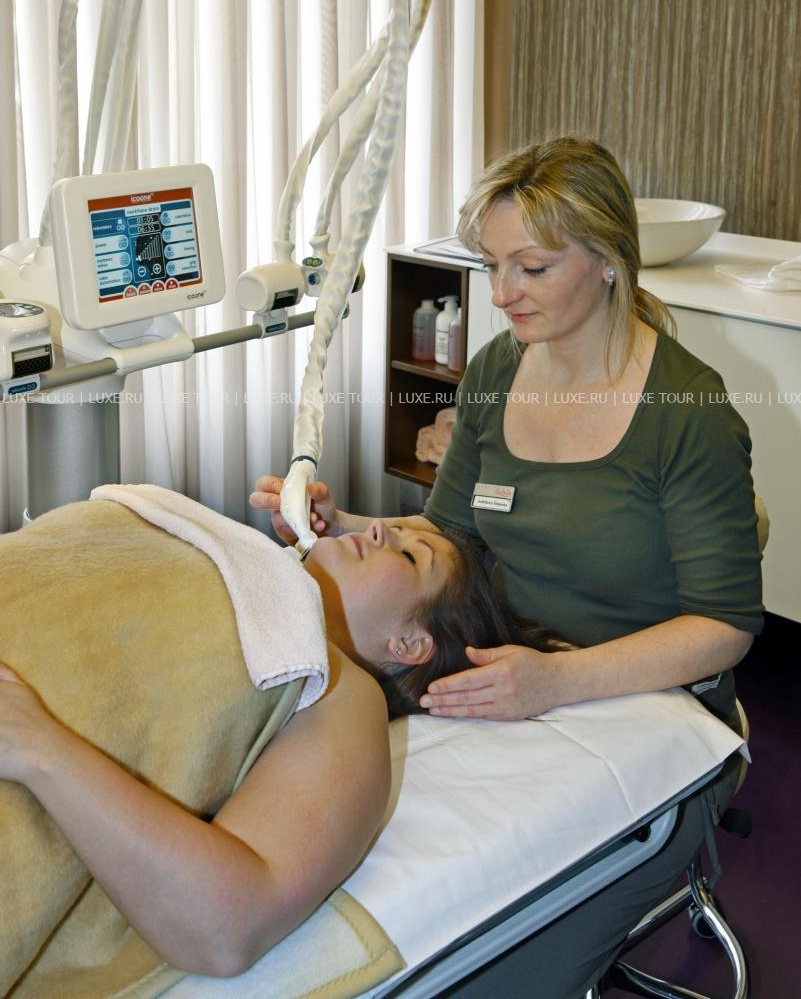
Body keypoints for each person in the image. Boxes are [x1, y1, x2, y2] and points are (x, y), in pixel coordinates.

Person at [252, 136, 764, 999]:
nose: (500, 294)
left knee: (499, 918)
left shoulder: (687, 411)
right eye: (491, 266)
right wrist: (347, 526)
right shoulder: (497, 369)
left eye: (531, 268)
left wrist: (557, 682)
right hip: (502, 663)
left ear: (607, 260)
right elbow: (452, 532)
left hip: (646, 702)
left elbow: (724, 627)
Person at [0, 494, 566, 998]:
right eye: (396, 528)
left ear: (411, 644)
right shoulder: (238, 562)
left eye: (411, 556)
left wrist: (41, 748)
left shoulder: (341, 689)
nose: (377, 528)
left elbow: (227, 928)